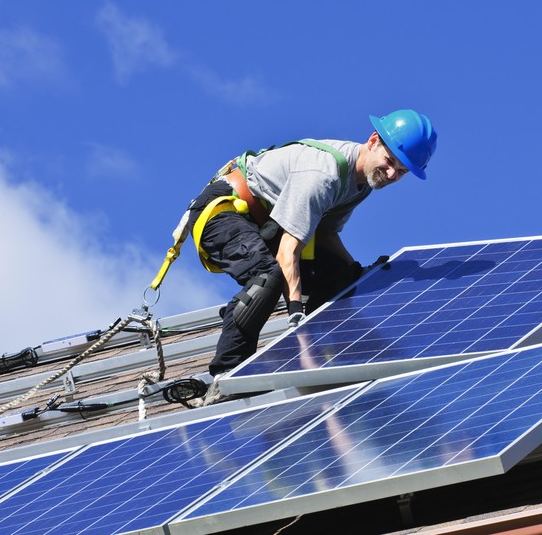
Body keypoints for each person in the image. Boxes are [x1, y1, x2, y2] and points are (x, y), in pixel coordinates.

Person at [186, 109, 437, 399]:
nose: (392, 174)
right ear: (372, 141)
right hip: (224, 210)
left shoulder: (361, 183)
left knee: (342, 278)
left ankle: (330, 355)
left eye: (401, 171)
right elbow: (287, 252)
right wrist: (296, 314)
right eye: (390, 161)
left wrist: (354, 270)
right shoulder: (324, 174)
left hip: (266, 224)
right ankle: (227, 377)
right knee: (267, 278)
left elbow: (325, 234)